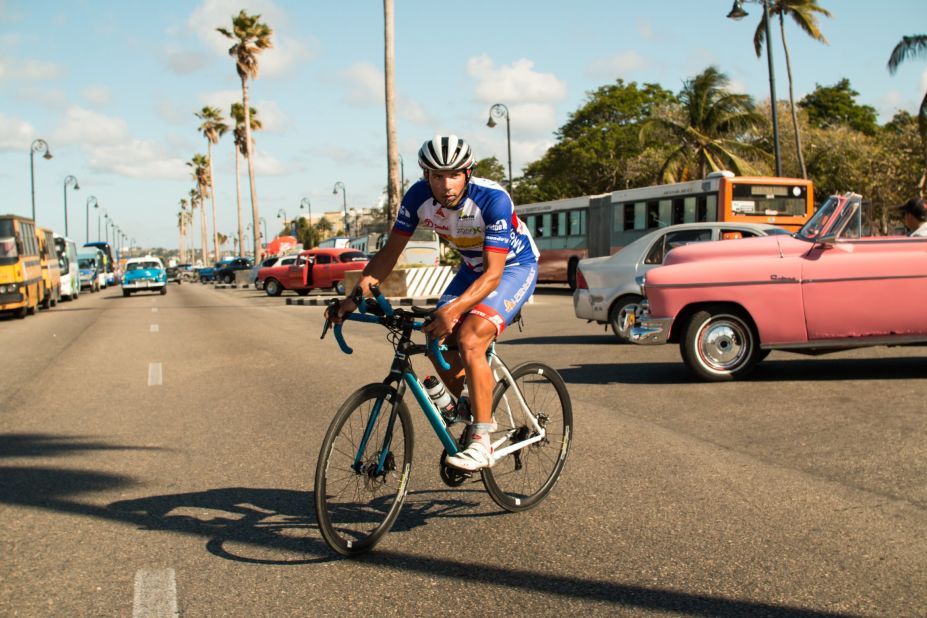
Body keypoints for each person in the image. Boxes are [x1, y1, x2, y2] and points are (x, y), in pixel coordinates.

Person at [326, 135, 539, 471]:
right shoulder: (418, 198)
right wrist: (353, 299)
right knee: (434, 335)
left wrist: (453, 310)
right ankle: (470, 404)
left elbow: (494, 275)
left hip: (512, 267)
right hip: (472, 268)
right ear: (426, 175)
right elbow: (389, 255)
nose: (445, 184)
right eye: (437, 176)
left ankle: (482, 440)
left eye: (454, 174)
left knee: (469, 336)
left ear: (468, 173)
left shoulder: (492, 199)